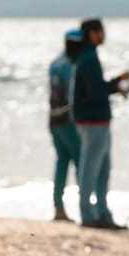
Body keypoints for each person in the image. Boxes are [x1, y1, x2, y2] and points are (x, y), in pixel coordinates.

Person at [72, 17, 129, 230]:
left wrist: (116, 85)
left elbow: (95, 88)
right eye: (101, 31)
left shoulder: (87, 56)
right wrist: (117, 82)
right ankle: (88, 214)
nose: (104, 35)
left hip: (96, 120)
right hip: (93, 121)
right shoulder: (88, 58)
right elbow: (96, 90)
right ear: (93, 34)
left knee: (103, 169)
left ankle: (102, 213)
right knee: (91, 168)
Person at [49, 28, 83, 222]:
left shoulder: (55, 63)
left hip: (53, 120)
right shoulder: (71, 66)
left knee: (62, 163)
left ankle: (58, 207)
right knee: (80, 162)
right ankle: (85, 207)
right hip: (68, 121)